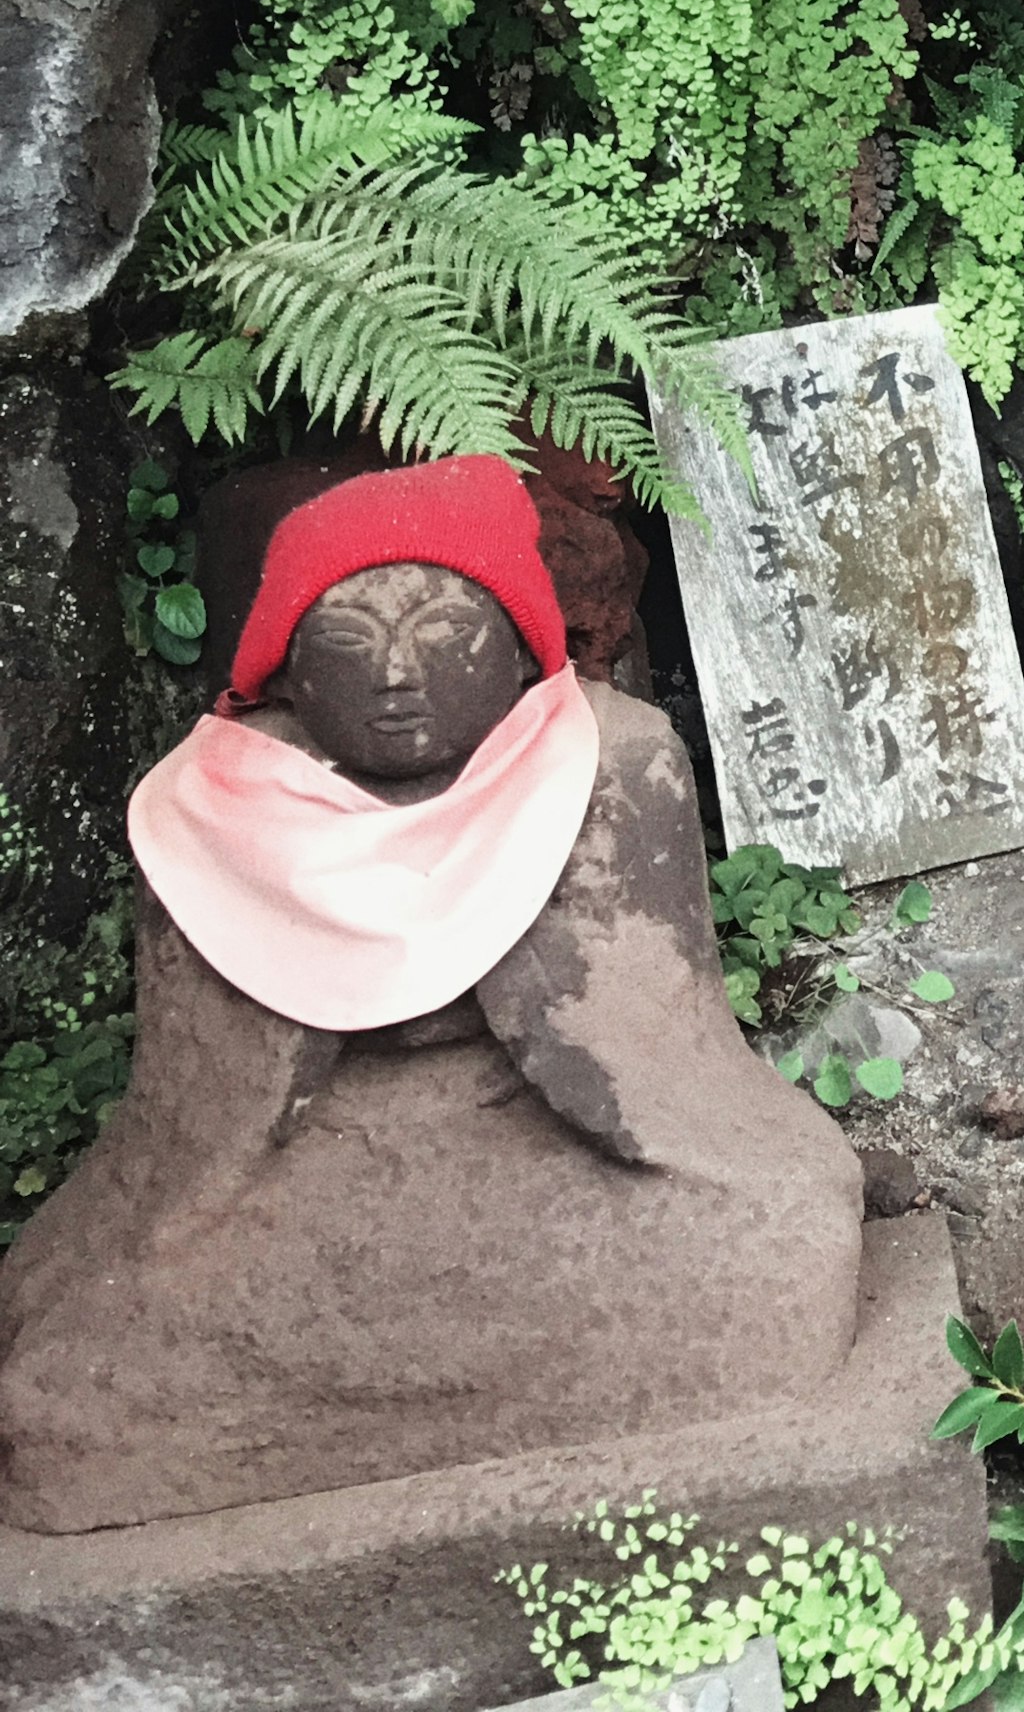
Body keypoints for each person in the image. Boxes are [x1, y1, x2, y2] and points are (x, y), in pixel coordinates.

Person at [0, 455, 862, 1530]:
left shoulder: (612, 764)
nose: (397, 675)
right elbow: (192, 1124)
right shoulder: (209, 811)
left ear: (516, 643)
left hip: (564, 1149)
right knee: (89, 1378)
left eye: (446, 636)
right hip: (309, 1177)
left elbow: (665, 1050)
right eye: (352, 642)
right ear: (286, 664)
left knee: (776, 1256)